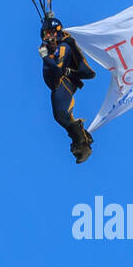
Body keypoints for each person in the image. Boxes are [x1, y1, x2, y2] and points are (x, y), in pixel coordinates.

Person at [39, 15, 96, 163]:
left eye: (51, 33)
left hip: (62, 82)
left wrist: (45, 57)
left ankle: (83, 144)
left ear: (57, 32)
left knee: (62, 115)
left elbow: (58, 70)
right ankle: (81, 140)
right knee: (61, 118)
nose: (48, 37)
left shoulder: (63, 47)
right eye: (46, 34)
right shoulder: (54, 48)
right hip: (57, 85)